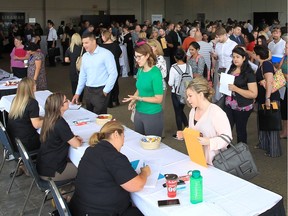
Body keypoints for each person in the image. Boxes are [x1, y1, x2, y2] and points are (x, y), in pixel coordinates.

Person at [69, 120, 151, 216]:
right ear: (116, 134)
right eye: (123, 137)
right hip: (101, 211)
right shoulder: (114, 157)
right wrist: (145, 173)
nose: (123, 143)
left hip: (79, 208)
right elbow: (137, 185)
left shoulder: (91, 150)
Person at [177, 77, 232, 165]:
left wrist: (209, 142)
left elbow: (227, 138)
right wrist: (185, 134)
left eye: (190, 96)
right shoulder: (193, 111)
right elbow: (195, 133)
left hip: (215, 163)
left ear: (201, 95)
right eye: (187, 96)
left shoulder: (216, 112)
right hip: (197, 159)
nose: (187, 99)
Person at [36, 93, 83, 181]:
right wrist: (77, 140)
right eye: (66, 101)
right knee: (88, 168)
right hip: (53, 171)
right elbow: (77, 144)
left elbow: (60, 136)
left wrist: (71, 137)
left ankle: (66, 190)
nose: (68, 102)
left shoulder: (48, 119)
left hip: (43, 166)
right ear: (59, 106)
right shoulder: (60, 123)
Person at [123, 44, 164, 137]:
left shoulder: (156, 73)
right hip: (139, 112)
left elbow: (158, 99)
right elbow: (139, 89)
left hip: (152, 114)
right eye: (135, 56)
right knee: (139, 140)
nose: (136, 60)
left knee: (152, 144)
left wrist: (139, 98)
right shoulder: (140, 70)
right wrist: (133, 100)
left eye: (139, 57)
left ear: (147, 55)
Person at [71, 32, 118, 114]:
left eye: (86, 43)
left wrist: (106, 90)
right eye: (83, 43)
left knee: (99, 116)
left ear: (94, 41)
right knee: (89, 114)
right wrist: (77, 93)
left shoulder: (106, 54)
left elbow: (113, 73)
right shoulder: (85, 56)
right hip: (88, 90)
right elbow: (83, 75)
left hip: (101, 90)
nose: (84, 45)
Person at [7, 78, 42, 176]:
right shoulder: (32, 103)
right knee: (51, 138)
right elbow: (36, 124)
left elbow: (23, 117)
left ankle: (24, 164)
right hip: (27, 143)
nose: (36, 86)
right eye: (34, 85)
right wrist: (50, 119)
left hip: (15, 141)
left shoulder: (16, 100)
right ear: (31, 88)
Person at [224, 47, 257, 143]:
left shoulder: (249, 73)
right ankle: (227, 151)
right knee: (226, 129)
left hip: (242, 107)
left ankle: (242, 153)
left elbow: (253, 94)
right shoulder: (232, 68)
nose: (235, 59)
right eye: (233, 57)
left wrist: (236, 89)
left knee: (240, 130)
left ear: (244, 58)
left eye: (237, 57)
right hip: (229, 104)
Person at [254, 45, 281, 157]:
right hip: (263, 98)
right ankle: (264, 144)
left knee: (271, 125)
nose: (254, 55)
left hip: (270, 98)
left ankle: (274, 150)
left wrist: (267, 98)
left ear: (258, 55)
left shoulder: (266, 64)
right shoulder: (264, 64)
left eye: (255, 54)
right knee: (264, 122)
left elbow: (269, 81)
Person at [168, 48, 192, 139]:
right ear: (184, 56)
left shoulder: (174, 68)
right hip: (186, 93)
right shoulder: (188, 67)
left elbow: (170, 83)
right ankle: (188, 128)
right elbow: (191, 78)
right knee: (181, 111)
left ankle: (180, 134)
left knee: (178, 113)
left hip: (176, 93)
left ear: (175, 57)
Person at [100, 29, 122, 108]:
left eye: (102, 36)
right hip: (115, 66)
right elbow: (120, 55)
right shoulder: (116, 45)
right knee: (115, 83)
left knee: (107, 84)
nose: (101, 37)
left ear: (104, 36)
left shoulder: (101, 46)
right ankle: (116, 100)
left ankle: (109, 102)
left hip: (105, 68)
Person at [65, 33, 85, 102]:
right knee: (81, 84)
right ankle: (81, 100)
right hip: (82, 69)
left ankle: (76, 100)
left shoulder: (69, 49)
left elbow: (66, 60)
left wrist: (72, 60)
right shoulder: (83, 48)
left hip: (73, 69)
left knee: (74, 85)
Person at [278, 42, 287, 139]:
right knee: (284, 111)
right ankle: (285, 131)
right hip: (283, 87)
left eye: (287, 47)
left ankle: (285, 132)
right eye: (285, 47)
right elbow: (279, 70)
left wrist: (282, 75)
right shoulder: (285, 57)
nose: (285, 49)